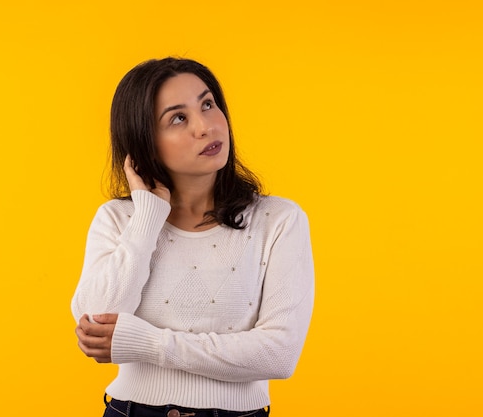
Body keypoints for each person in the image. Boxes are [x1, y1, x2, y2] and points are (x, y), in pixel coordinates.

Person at [72, 57, 315, 417]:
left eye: (207, 104)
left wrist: (149, 344)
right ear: (144, 144)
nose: (205, 126)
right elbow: (96, 324)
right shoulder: (119, 219)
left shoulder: (278, 220)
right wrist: (149, 216)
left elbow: (278, 354)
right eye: (178, 118)